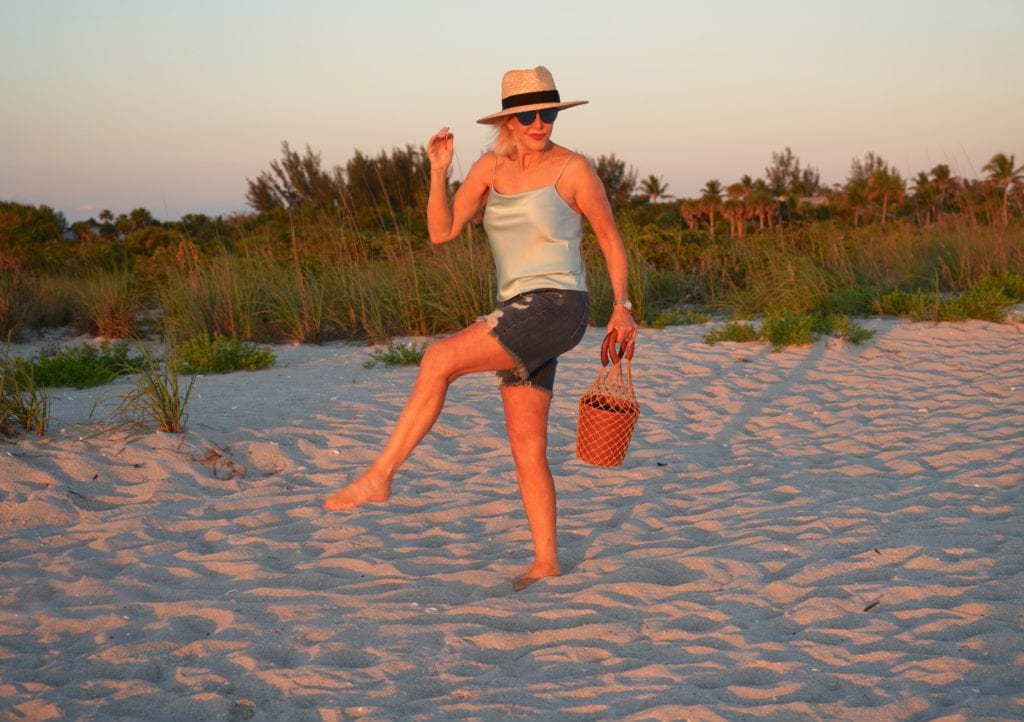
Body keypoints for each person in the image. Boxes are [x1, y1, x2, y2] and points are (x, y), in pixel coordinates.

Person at [324, 66, 638, 590]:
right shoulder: (489, 170)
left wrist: (622, 305)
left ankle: (379, 478)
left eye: (549, 113)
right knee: (526, 447)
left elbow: (609, 238)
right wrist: (437, 171)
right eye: (530, 115)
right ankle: (546, 561)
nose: (541, 123)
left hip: (559, 305)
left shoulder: (574, 169)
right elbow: (441, 231)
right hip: (518, 310)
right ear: (510, 120)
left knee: (438, 360)